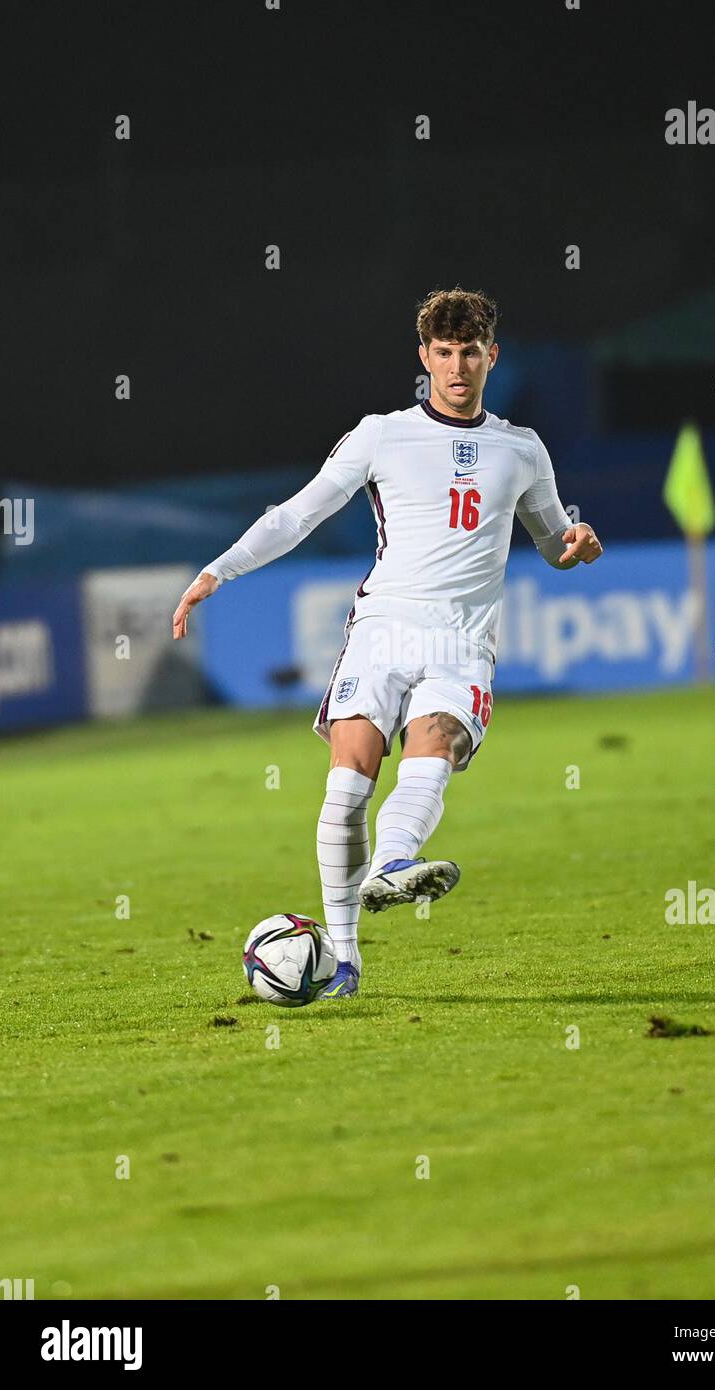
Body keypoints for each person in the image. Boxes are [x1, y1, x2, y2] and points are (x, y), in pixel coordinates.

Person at [173, 287, 603, 998]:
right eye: (444, 352)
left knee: (432, 747)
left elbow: (554, 539)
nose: (457, 366)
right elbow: (298, 513)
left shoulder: (522, 449)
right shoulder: (381, 433)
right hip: (381, 629)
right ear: (424, 356)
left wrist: (576, 546)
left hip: (463, 639)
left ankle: (396, 859)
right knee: (347, 785)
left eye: (470, 352)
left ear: (492, 357)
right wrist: (219, 570)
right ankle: (345, 961)